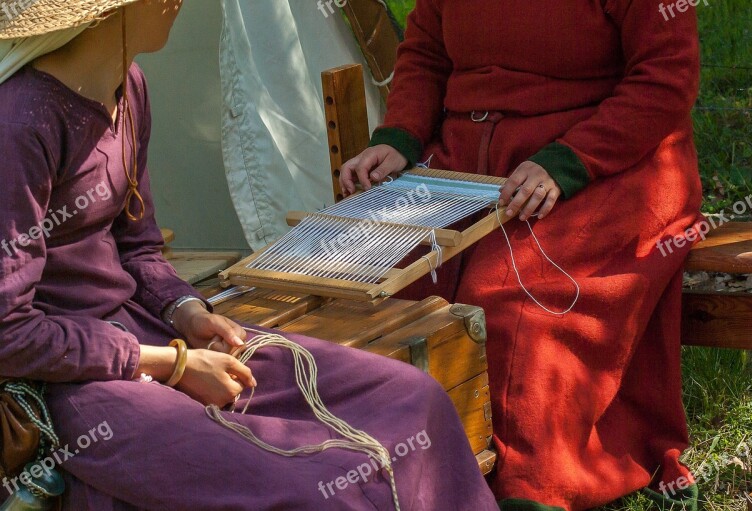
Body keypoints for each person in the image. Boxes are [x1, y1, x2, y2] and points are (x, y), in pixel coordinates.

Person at [0, 1, 499, 509]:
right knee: (315, 490)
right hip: (74, 383)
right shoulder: (20, 122)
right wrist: (172, 366)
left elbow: (138, 246)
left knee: (414, 397)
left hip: (150, 333)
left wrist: (186, 310)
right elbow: (9, 334)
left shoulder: (127, 84)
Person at [341, 1, 704, 510]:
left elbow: (665, 78)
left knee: (510, 297)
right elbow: (425, 55)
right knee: (388, 283)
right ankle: (392, 477)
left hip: (608, 160)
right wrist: (401, 136)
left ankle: (527, 486)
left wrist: (570, 161)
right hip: (466, 158)